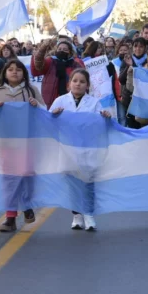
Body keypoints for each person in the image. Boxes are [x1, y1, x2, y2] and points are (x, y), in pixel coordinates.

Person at [0, 60, 46, 232]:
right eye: (10, 70)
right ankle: (10, 217)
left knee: (27, 174)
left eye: (18, 70)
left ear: (24, 73)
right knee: (10, 179)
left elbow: (44, 110)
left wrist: (37, 106)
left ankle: (27, 204)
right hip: (5, 142)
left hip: (27, 141)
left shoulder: (31, 90)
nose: (14, 72)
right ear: (4, 73)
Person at [49, 69, 111, 231]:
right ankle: (77, 215)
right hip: (67, 149)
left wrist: (106, 117)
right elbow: (48, 123)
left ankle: (89, 214)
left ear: (87, 85)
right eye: (75, 80)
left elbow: (101, 124)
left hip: (87, 148)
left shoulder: (94, 103)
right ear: (69, 83)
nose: (78, 84)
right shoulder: (60, 101)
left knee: (88, 183)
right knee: (73, 184)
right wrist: (53, 115)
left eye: (82, 81)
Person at [32, 38, 85, 107]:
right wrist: (43, 47)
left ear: (70, 52)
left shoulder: (75, 64)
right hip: (51, 100)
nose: (61, 51)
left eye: (65, 50)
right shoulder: (50, 61)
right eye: (59, 49)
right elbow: (38, 63)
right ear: (56, 50)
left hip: (70, 100)